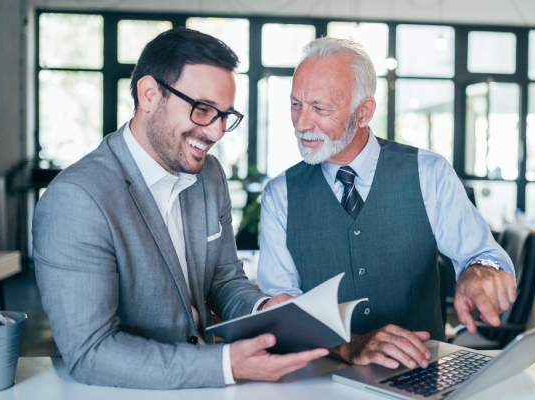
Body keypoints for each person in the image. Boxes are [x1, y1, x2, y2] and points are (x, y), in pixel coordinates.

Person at [33, 28, 327, 390]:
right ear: (149, 94)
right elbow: (91, 353)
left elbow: (224, 281)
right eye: (203, 110)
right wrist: (224, 364)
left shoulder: (209, 175)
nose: (217, 132)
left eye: (225, 115)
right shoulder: (77, 199)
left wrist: (264, 309)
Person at [257, 38, 516, 371]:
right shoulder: (280, 194)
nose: (301, 123)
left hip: (421, 375)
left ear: (363, 112)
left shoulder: (429, 172)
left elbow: (483, 253)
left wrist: (480, 270)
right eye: (296, 104)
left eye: (319, 109)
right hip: (320, 381)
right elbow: (282, 309)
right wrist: (348, 344)